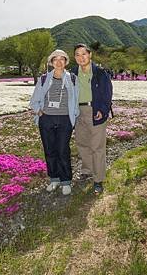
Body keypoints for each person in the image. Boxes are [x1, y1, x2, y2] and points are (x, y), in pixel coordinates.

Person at [30, 50, 80, 196]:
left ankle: (66, 181)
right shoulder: (44, 79)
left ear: (66, 62)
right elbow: (34, 101)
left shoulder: (73, 79)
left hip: (65, 119)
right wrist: (39, 112)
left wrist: (74, 117)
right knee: (49, 150)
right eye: (55, 59)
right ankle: (54, 179)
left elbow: (76, 101)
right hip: (47, 119)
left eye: (62, 59)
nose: (58, 62)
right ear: (51, 62)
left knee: (63, 150)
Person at [72, 43, 113, 195]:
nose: (81, 57)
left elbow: (107, 94)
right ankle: (87, 170)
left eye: (84, 54)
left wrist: (102, 110)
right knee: (82, 143)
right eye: (77, 54)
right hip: (78, 112)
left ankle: (98, 179)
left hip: (95, 111)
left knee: (97, 146)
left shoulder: (100, 73)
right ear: (74, 57)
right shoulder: (73, 73)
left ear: (90, 55)